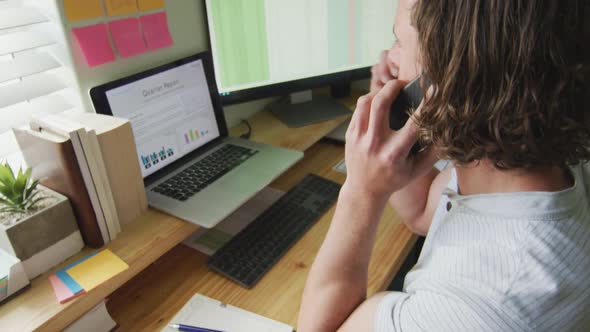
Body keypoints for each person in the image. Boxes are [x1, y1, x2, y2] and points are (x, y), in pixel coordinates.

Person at [297, 0, 590, 331]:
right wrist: (392, 131)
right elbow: (422, 212)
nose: (389, 59)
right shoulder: (544, 164)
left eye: (399, 42)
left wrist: (361, 192)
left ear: (441, 82)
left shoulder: (471, 309)